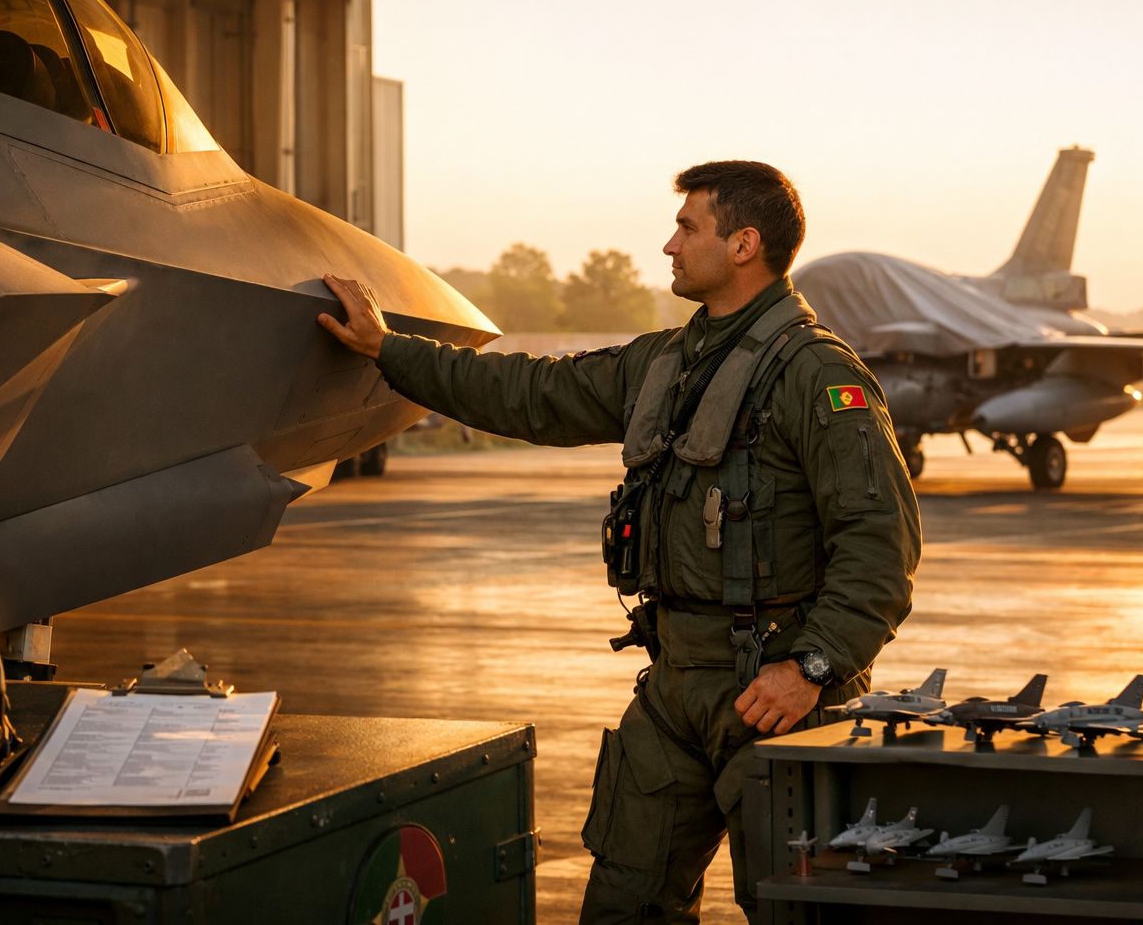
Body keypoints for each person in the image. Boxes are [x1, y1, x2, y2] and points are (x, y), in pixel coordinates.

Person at [317, 160, 920, 923]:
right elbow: (529, 394)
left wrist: (811, 668)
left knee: (797, 907)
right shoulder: (664, 363)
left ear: (743, 245)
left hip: (778, 695)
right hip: (673, 690)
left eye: (688, 228)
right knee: (624, 905)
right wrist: (388, 349)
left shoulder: (818, 374)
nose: (670, 245)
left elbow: (881, 547)